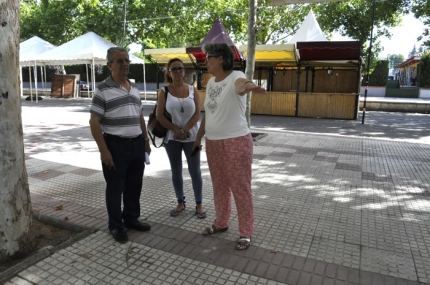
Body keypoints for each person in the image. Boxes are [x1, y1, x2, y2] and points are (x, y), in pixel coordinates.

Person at [194, 43, 266, 250]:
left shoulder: (235, 76)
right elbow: (209, 113)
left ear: (222, 59)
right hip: (213, 142)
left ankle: (246, 232)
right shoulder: (212, 83)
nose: (206, 61)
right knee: (219, 187)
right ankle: (221, 222)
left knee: (240, 188)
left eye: (209, 58)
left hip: (236, 141)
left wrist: (251, 86)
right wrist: (199, 137)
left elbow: (243, 85)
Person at [89, 47, 151, 243]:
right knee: (115, 188)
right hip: (115, 146)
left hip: (136, 145)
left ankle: (131, 218)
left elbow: (139, 115)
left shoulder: (133, 87)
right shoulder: (102, 89)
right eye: (119, 61)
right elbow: (94, 121)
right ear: (110, 65)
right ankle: (116, 225)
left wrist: (146, 140)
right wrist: (104, 150)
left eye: (127, 60)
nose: (125, 64)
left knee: (135, 185)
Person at [157, 58, 205, 219]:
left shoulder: (193, 90)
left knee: (195, 171)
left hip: (191, 137)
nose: (178, 72)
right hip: (172, 138)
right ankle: (180, 202)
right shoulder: (164, 91)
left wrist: (184, 130)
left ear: (184, 72)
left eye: (180, 69)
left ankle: (199, 203)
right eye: (174, 69)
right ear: (169, 73)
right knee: (176, 171)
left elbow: (198, 113)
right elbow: (159, 116)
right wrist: (176, 130)